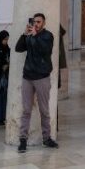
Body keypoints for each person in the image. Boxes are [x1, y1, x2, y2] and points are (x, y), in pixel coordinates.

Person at [14, 12, 57, 153]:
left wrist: (35, 36)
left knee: (44, 110)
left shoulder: (47, 36)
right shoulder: (30, 35)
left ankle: (47, 138)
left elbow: (45, 51)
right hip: (27, 77)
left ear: (43, 23)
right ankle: (23, 140)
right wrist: (24, 34)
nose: (36, 24)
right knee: (26, 110)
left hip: (42, 77)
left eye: (39, 22)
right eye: (35, 21)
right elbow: (18, 48)